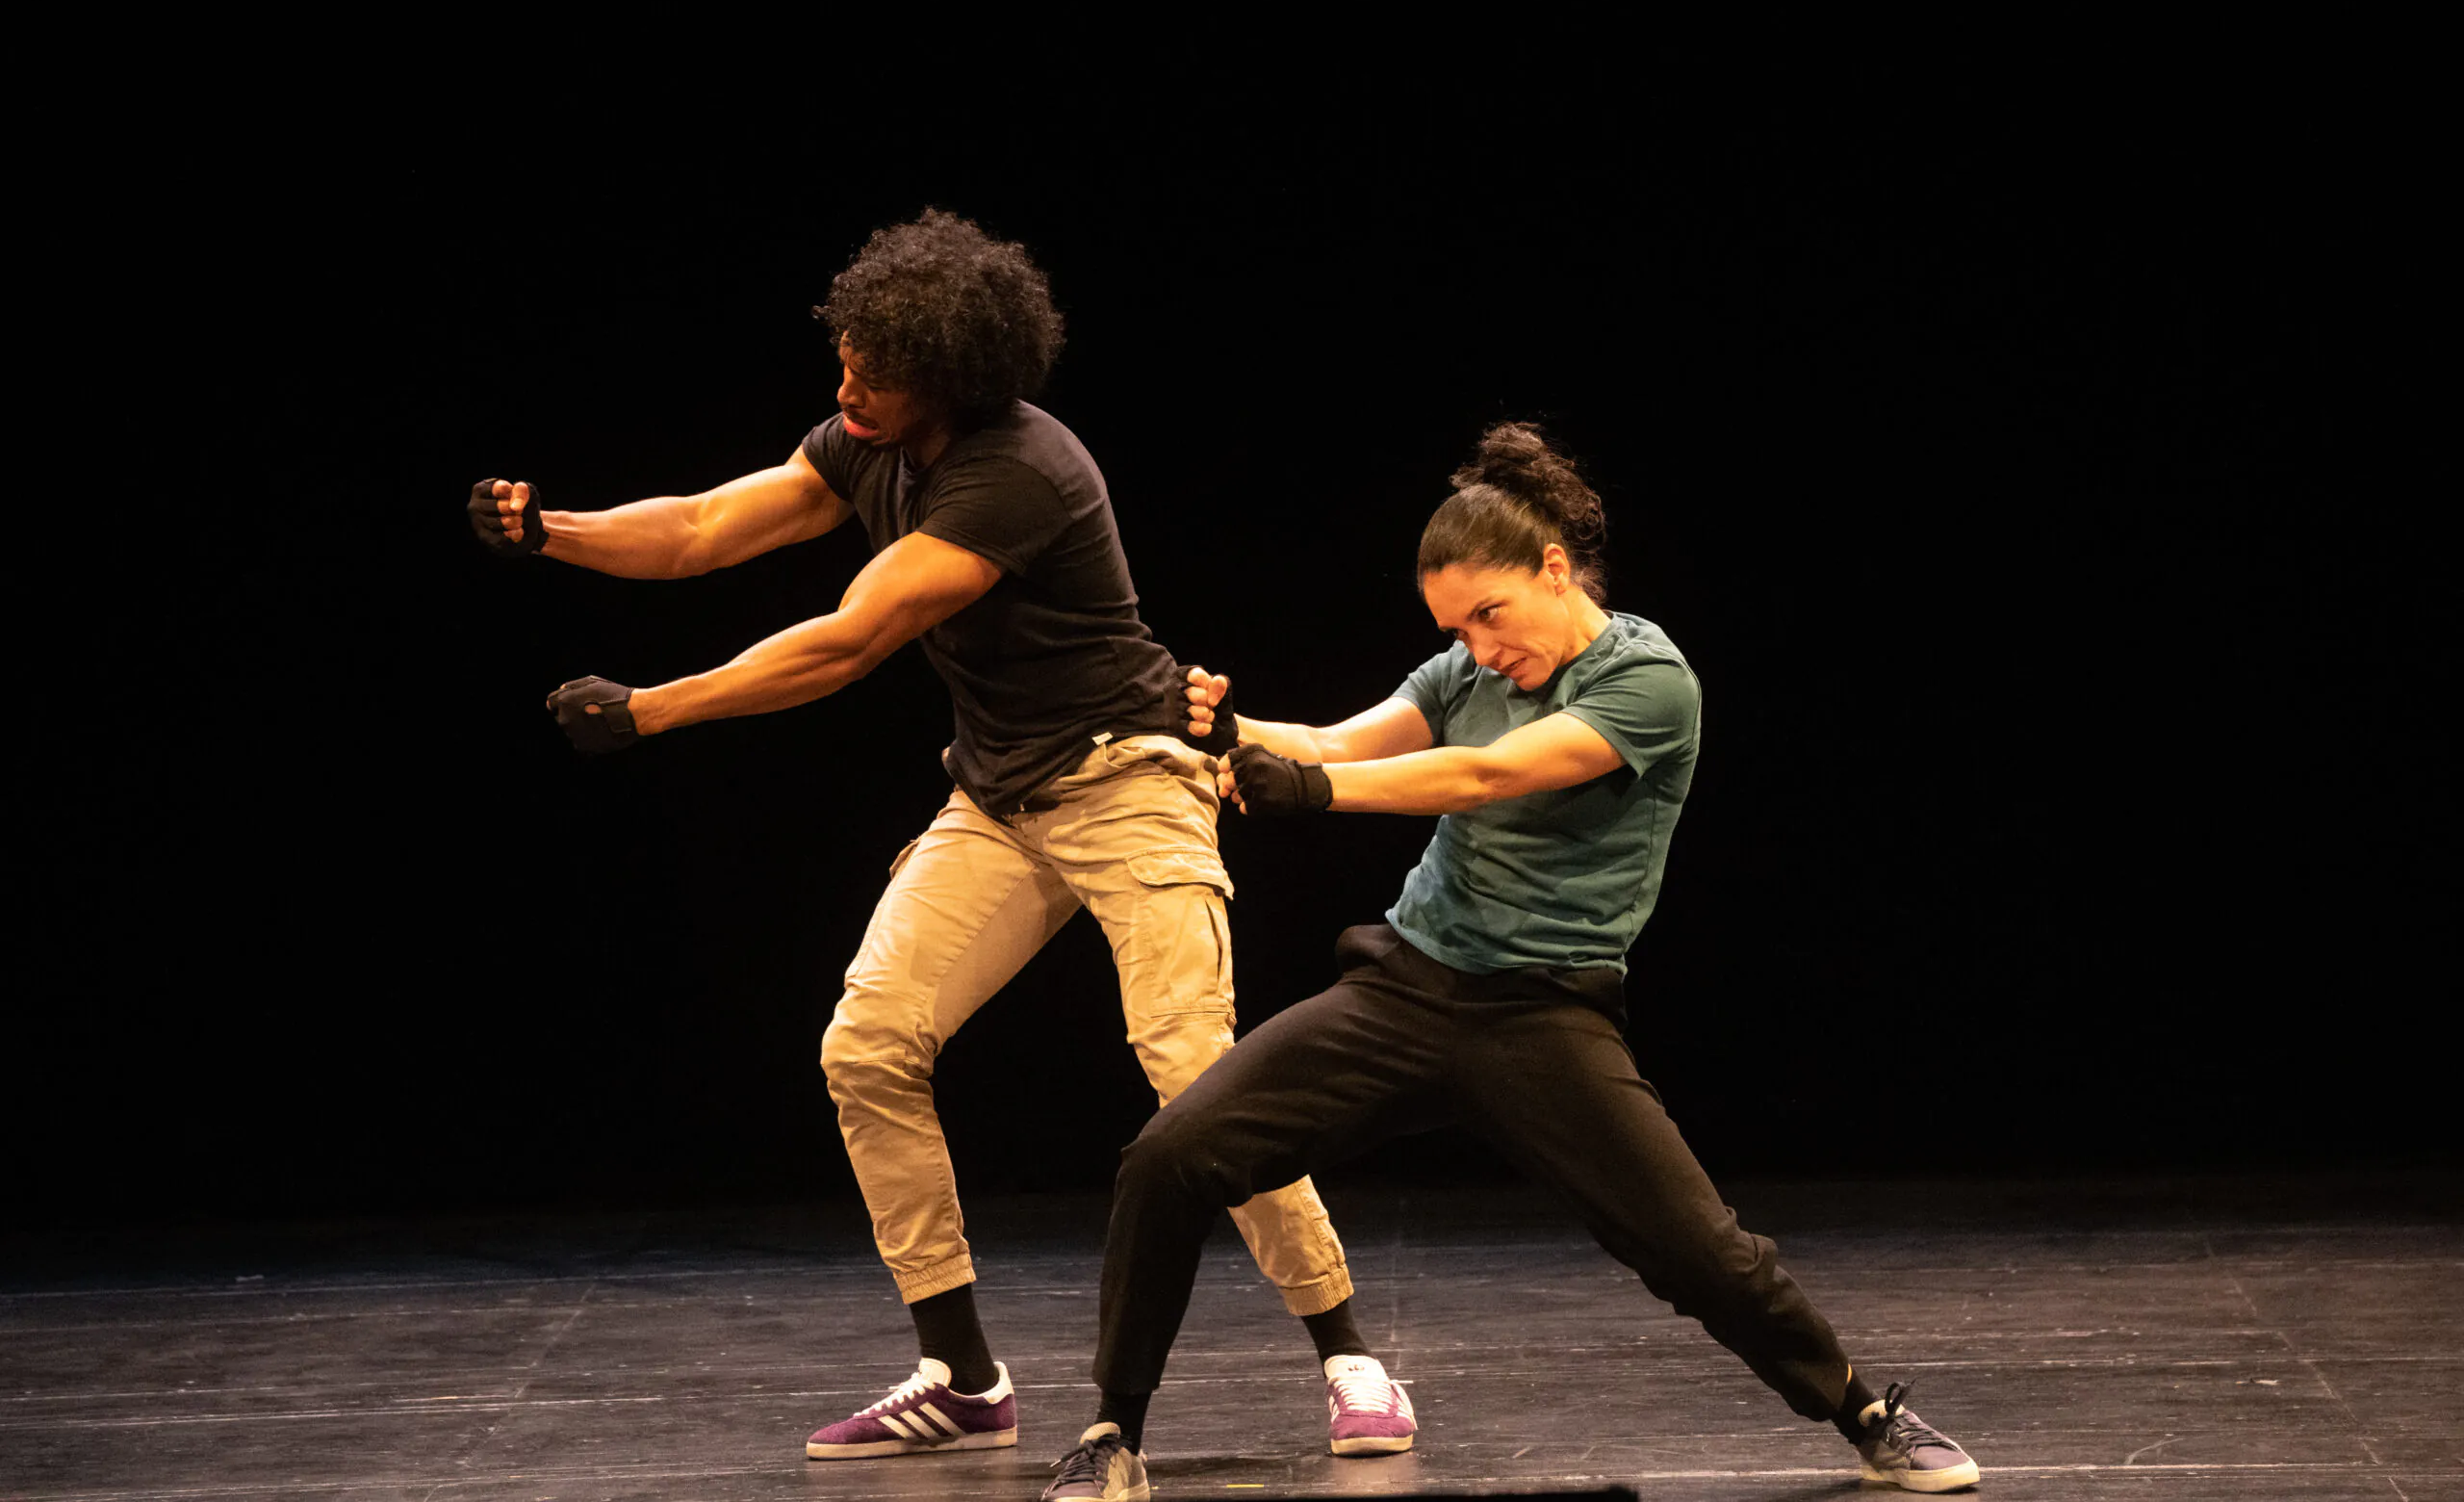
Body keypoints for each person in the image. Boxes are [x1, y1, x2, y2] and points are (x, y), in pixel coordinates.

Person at [465, 211, 1406, 1463]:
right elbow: (704, 527)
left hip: (1131, 780)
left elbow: (852, 637)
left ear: (952, 378)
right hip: (1000, 804)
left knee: (1194, 1073)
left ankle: (1351, 1353)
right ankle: (962, 1375)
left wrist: (651, 709)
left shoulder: (1018, 471)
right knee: (866, 1044)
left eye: (874, 371)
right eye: (845, 357)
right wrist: (552, 531)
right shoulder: (867, 437)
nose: (845, 384)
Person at [1038, 424, 1981, 1499]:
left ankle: (1864, 1409)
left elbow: (1487, 774)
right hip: (1404, 986)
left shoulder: (1649, 679)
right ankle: (1113, 1431)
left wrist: (1313, 792)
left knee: (1701, 1253)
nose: (1479, 646)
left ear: (1554, 568)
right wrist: (1227, 725)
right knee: (1169, 1156)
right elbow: (1343, 740)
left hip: (1542, 1016)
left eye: (1491, 614)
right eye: (1455, 627)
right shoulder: (1461, 665)